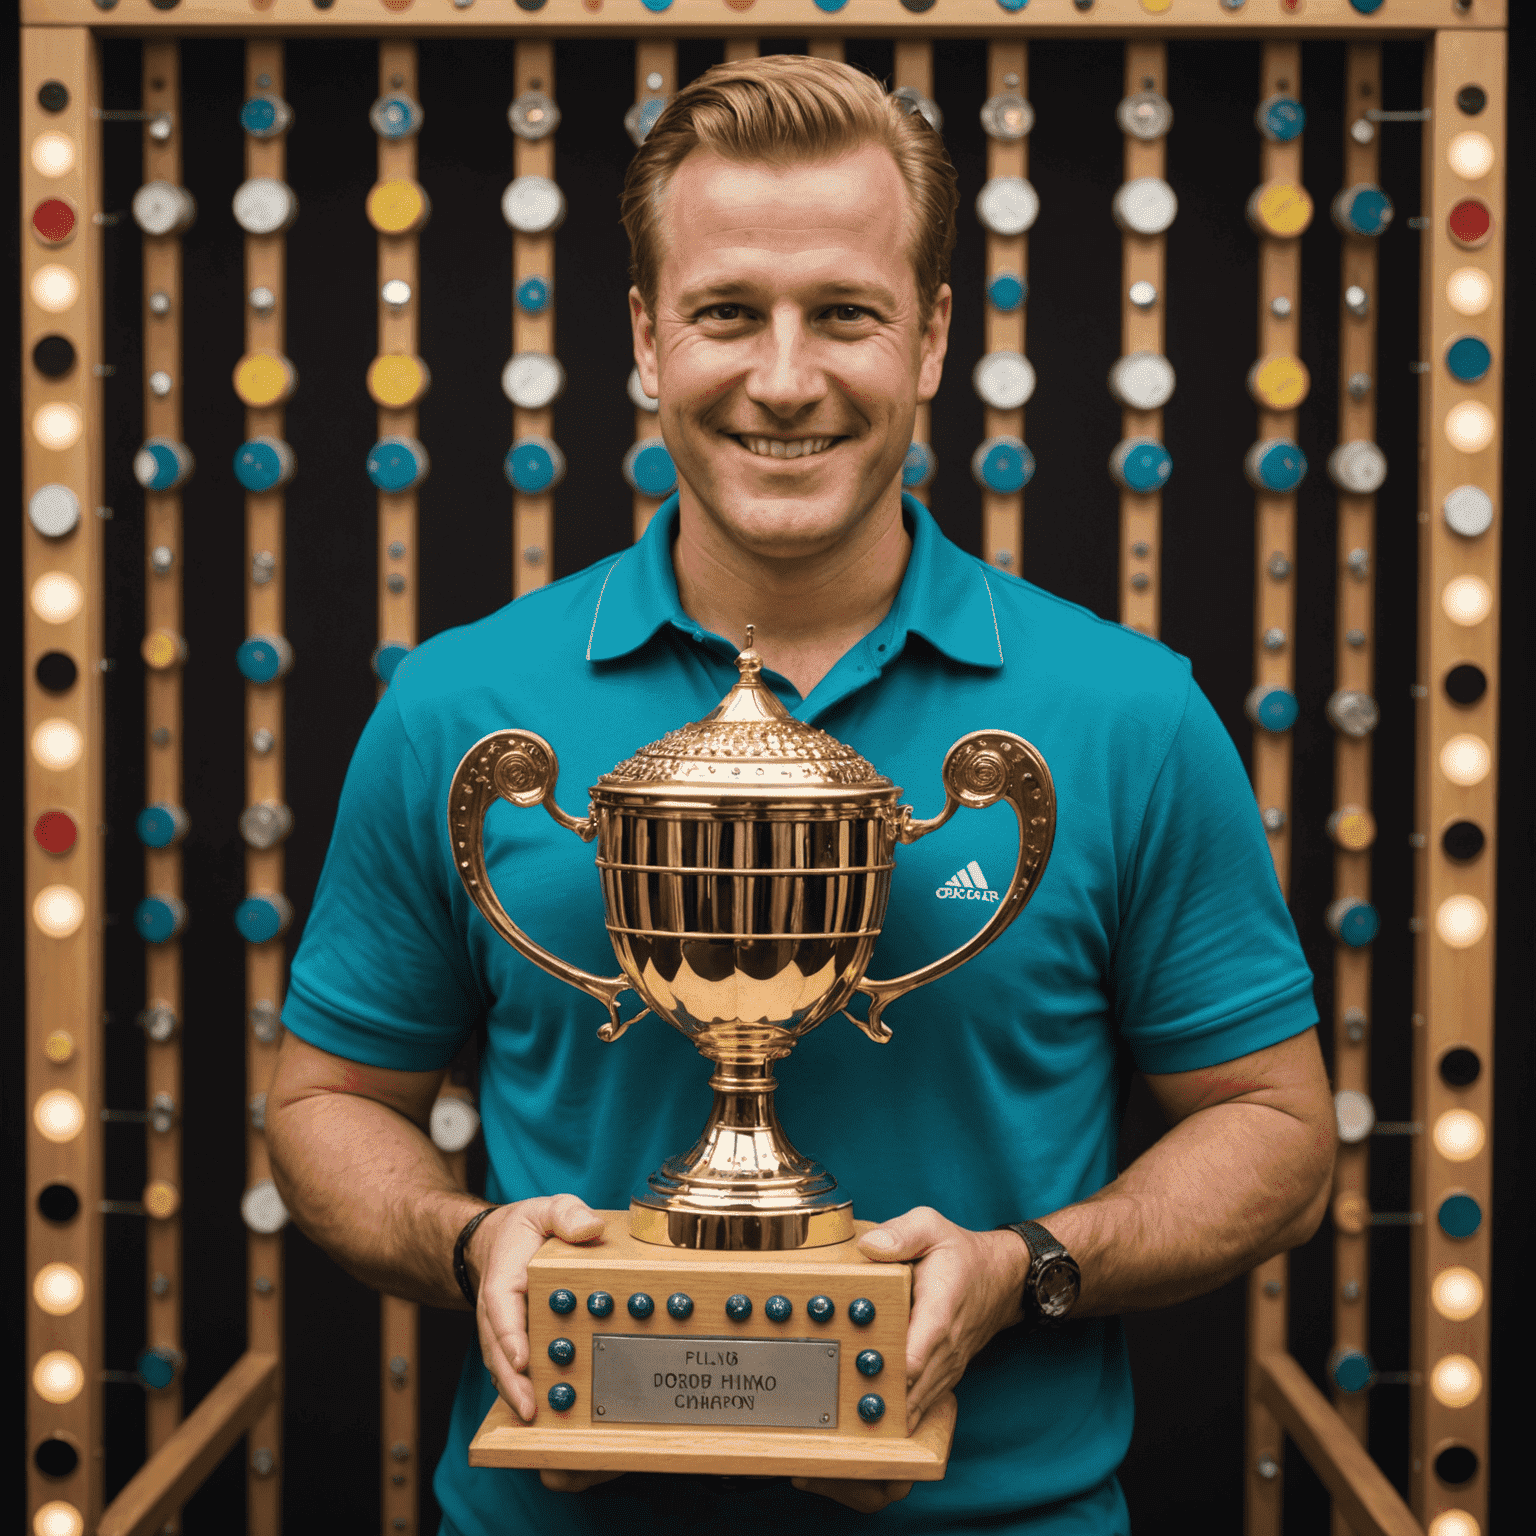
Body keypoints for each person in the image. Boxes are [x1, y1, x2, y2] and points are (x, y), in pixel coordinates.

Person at [268, 55, 1334, 1536]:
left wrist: (1026, 1266)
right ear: (644, 338)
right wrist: (468, 1242)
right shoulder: (460, 705)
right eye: (725, 313)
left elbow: (1277, 1131)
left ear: (934, 336)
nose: (783, 379)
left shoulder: (1128, 714)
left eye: (846, 313)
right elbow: (327, 1102)